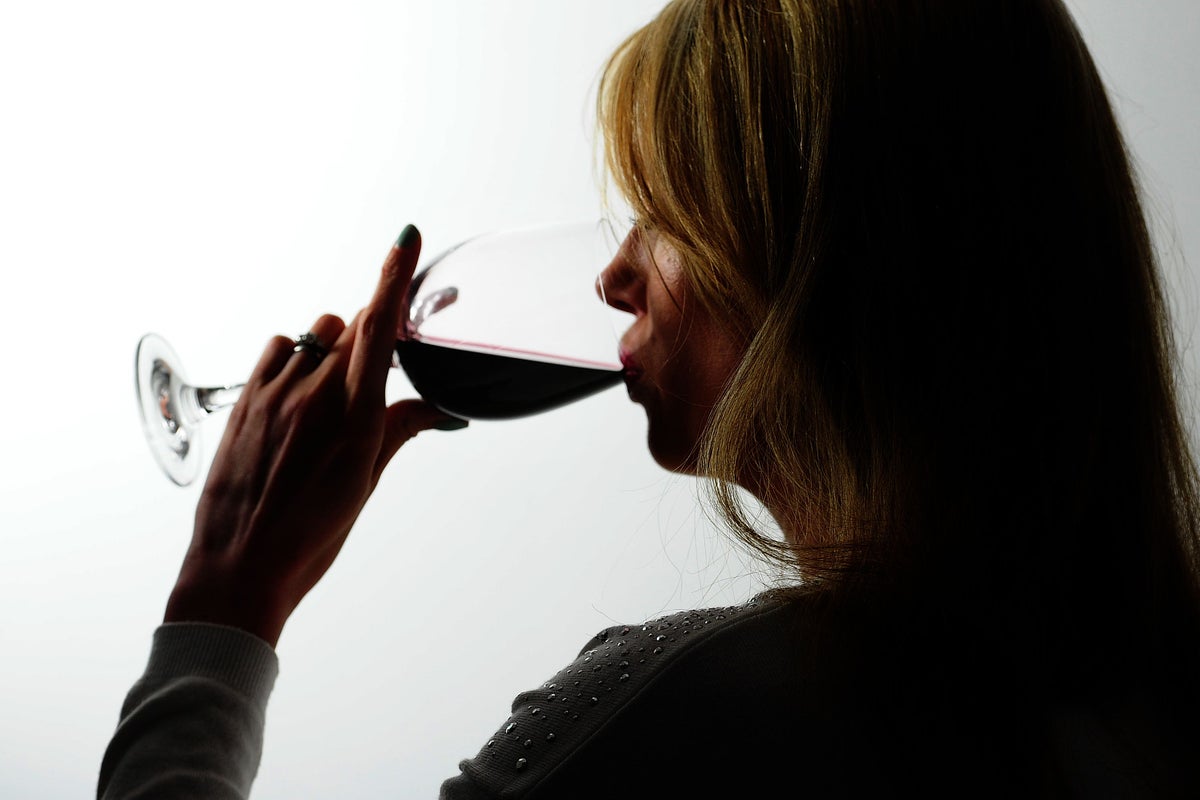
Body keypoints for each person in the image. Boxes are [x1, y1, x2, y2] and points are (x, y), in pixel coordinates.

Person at [98, 0, 1200, 796]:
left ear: (812, 247)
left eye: (666, 212)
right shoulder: (1147, 708)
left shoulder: (692, 720)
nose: (614, 278)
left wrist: (225, 607)